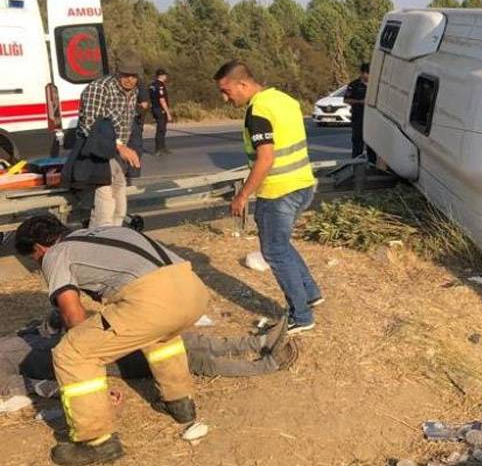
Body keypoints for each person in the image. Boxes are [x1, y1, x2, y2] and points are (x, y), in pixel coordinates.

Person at [13, 215, 211, 465]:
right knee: (159, 334)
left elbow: (73, 314)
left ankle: (96, 442)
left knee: (72, 352)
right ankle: (179, 401)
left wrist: (87, 360)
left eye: (34, 259)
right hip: (193, 289)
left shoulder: (55, 253)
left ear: (39, 248)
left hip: (153, 299)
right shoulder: (103, 231)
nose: (38, 264)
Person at [214, 61, 322, 335]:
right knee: (280, 245)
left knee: (274, 250)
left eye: (226, 91)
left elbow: (265, 158)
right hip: (303, 184)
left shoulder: (258, 110)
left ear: (242, 84)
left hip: (278, 191)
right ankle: (310, 293)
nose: (225, 98)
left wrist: (242, 195)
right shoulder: (283, 100)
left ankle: (301, 316)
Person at [1, 319, 297, 401]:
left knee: (186, 340)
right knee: (192, 360)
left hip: (103, 339)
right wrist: (94, 393)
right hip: (106, 361)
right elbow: (23, 386)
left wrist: (50, 322)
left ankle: (257, 343)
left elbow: (41, 333)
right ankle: (267, 365)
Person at [74, 53, 143, 227]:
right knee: (105, 208)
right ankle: (98, 239)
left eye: (134, 76)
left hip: (118, 155)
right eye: (126, 75)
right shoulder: (99, 89)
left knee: (119, 207)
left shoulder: (134, 91)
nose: (130, 79)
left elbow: (128, 123)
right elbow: (90, 126)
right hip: (99, 154)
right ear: (117, 71)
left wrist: (131, 148)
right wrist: (119, 146)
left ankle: (115, 237)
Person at [344, 63, 375, 161]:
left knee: (372, 144)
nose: (369, 76)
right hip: (358, 118)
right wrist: (360, 102)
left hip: (372, 119)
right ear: (362, 73)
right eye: (368, 73)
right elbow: (346, 100)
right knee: (358, 143)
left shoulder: (375, 84)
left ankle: (372, 164)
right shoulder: (354, 85)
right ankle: (356, 164)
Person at [149, 69, 174, 155]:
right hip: (160, 109)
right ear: (161, 75)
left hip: (154, 108)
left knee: (161, 129)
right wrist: (168, 113)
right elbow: (162, 99)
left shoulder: (152, 85)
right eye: (165, 75)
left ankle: (162, 147)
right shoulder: (160, 85)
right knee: (161, 129)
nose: (166, 76)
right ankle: (159, 148)